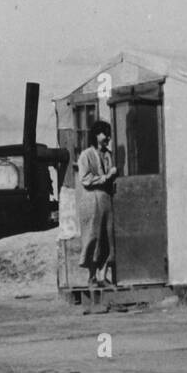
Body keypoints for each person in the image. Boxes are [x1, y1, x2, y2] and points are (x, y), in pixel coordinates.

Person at [77, 120, 117, 286]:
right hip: (92, 200)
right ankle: (92, 277)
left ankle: (103, 275)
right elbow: (85, 179)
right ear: (96, 135)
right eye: (104, 134)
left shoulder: (109, 155)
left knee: (108, 238)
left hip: (107, 199)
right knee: (93, 237)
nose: (107, 137)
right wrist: (106, 177)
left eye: (108, 134)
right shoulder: (86, 155)